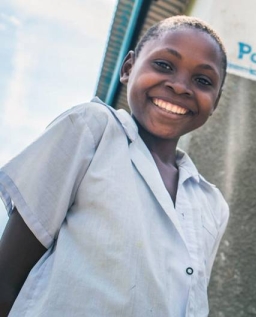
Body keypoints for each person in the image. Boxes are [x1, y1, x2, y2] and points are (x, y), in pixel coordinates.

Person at [0, 16, 229, 316]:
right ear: (128, 68)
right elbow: (6, 277)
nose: (180, 86)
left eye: (203, 81)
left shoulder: (211, 205)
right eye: (163, 65)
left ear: (215, 101)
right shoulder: (91, 130)